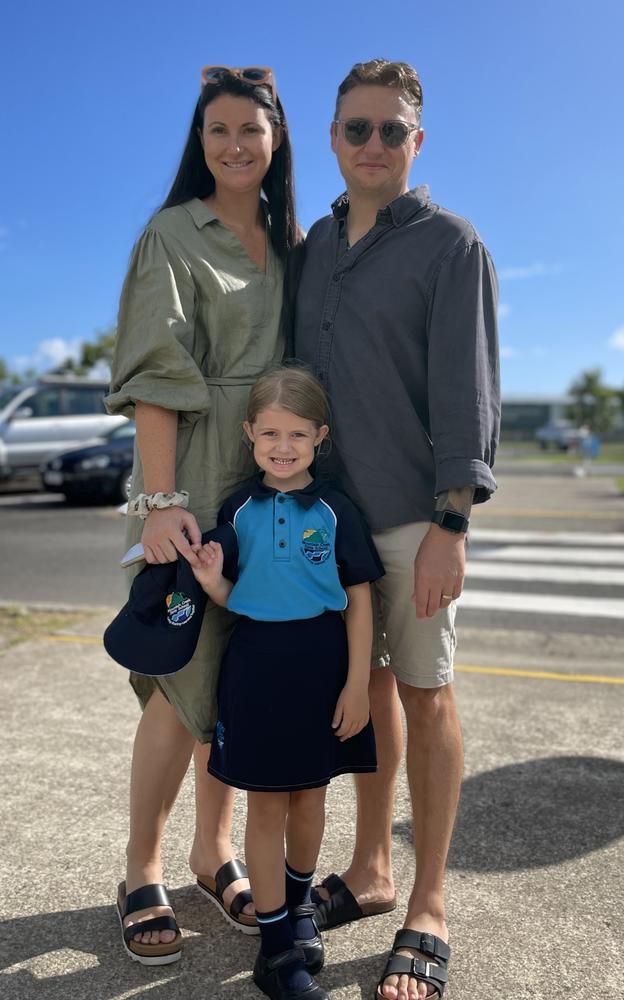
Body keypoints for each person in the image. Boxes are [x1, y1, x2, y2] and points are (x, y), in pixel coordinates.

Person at [292, 60, 500, 1000]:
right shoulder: (313, 247)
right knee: (365, 694)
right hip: (328, 521)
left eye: (391, 130)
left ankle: (426, 903)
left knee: (426, 695)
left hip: (416, 519)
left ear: (418, 142)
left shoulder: (453, 246)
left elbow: (468, 391)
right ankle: (370, 869)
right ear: (333, 139)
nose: (372, 145)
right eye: (355, 129)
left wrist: (452, 524)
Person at [106, 65, 299, 965]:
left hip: (272, 478)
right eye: (217, 130)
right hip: (193, 468)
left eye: (250, 131)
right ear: (199, 140)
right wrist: (160, 504)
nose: (234, 146)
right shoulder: (171, 233)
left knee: (240, 673)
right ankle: (141, 865)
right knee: (183, 681)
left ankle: (209, 850)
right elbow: (154, 373)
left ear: (276, 141)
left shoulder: (292, 240)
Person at [189, 366, 383, 1000]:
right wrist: (214, 580)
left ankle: (297, 911)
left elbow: (358, 599)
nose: (282, 445)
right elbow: (234, 600)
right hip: (255, 668)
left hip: (322, 667)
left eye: (297, 433)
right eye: (269, 431)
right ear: (249, 433)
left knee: (312, 799)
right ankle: (275, 952)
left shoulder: (335, 510)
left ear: (319, 436)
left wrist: (357, 684)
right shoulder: (236, 509)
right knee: (267, 802)